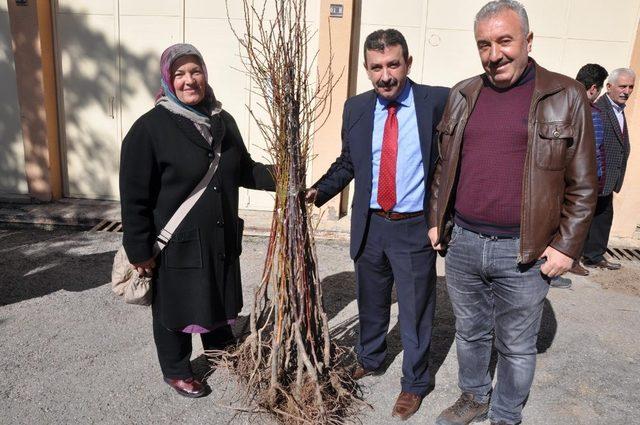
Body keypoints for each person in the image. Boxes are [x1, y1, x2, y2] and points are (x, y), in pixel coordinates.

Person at [428, 1, 597, 424]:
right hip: (464, 242)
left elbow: (584, 183)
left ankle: (505, 414)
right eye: (484, 44)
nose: (494, 54)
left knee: (517, 345)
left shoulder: (566, 95)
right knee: (469, 332)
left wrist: (565, 247)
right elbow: (444, 165)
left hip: (525, 249)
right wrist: (436, 219)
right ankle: (474, 397)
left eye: (505, 41)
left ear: (528, 41)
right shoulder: (464, 93)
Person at [306, 29, 448, 420]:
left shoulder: (436, 101)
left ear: (408, 64)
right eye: (376, 67)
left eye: (393, 65)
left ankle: (416, 382)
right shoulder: (356, 108)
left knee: (416, 308)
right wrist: (318, 191)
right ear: (367, 69)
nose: (385, 75)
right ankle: (370, 356)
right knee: (371, 299)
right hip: (370, 224)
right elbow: (349, 162)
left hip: (414, 225)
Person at [119, 44, 274, 398]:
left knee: (216, 294)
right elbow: (134, 197)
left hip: (219, 236)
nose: (190, 80)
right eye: (180, 74)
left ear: (205, 74)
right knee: (174, 306)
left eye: (195, 71)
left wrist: (283, 176)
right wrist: (139, 250)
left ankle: (220, 346)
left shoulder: (222, 120)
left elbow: (244, 169)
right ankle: (176, 369)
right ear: (168, 79)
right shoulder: (150, 129)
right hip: (177, 241)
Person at [582, 68, 635, 270]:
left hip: (609, 176)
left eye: (631, 87)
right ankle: (577, 256)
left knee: (603, 217)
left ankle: (593, 256)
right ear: (609, 86)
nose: (627, 91)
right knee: (585, 217)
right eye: (622, 86)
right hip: (597, 176)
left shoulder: (619, 109)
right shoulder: (600, 109)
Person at [570, 63, 608, 276]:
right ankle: (572, 260)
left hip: (568, 175)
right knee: (578, 221)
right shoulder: (591, 112)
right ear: (593, 87)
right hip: (584, 178)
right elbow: (592, 151)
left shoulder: (565, 102)